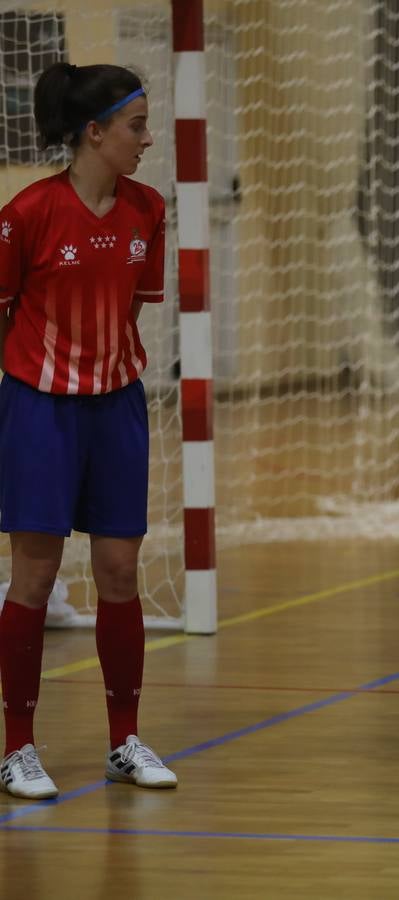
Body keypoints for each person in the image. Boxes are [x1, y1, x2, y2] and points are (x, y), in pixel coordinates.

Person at [0, 63, 177, 799]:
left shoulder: (146, 210)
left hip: (117, 409)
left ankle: (124, 740)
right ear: (94, 132)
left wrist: (101, 370)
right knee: (36, 577)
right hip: (38, 408)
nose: (147, 138)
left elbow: (130, 309)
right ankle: (17, 750)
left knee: (117, 574)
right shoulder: (27, 213)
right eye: (136, 126)